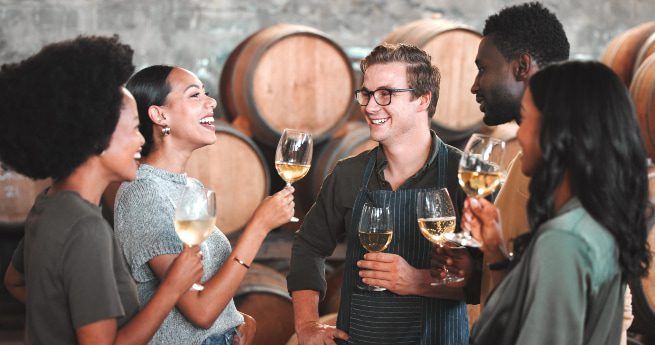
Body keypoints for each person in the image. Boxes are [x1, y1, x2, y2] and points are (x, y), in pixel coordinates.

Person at [0, 36, 203, 345]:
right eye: (135, 127)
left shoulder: (49, 204)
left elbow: (13, 281)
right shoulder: (87, 229)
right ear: (98, 135)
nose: (141, 141)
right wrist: (172, 288)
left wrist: (68, 317)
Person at [287, 43, 481, 345]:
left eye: (386, 94)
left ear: (423, 99)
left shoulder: (465, 176)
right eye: (366, 93)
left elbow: (493, 274)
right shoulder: (348, 174)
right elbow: (309, 246)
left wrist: (419, 281)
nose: (370, 106)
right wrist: (307, 324)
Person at [465, 60, 651, 345]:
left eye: (525, 119)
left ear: (558, 130)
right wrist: (495, 251)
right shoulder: (595, 219)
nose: (519, 134)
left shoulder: (564, 239)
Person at [113, 65, 295, 345]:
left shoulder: (190, 187)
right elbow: (200, 311)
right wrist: (259, 227)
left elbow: (205, 287)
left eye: (207, 94)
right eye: (195, 95)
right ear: (160, 114)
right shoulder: (142, 193)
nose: (211, 102)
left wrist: (235, 319)